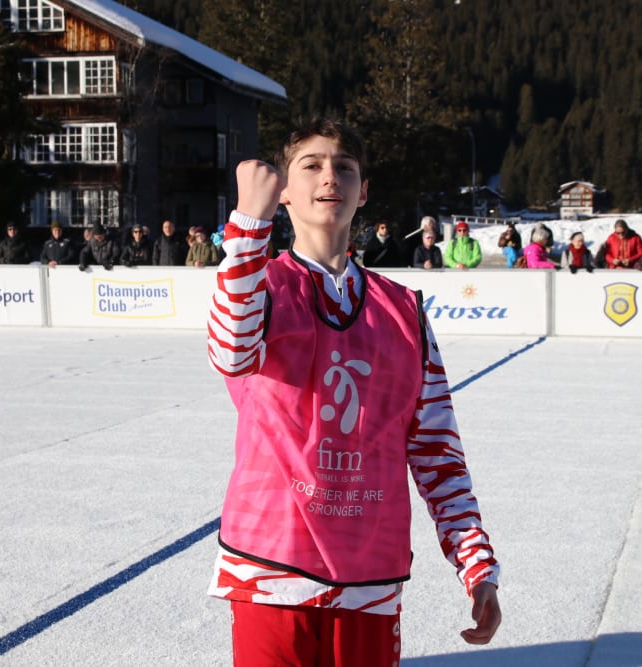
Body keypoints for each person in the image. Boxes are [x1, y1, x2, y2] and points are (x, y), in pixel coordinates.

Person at [206, 117, 500, 666]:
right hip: (271, 568)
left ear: (363, 191)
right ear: (284, 190)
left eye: (344, 167)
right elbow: (230, 350)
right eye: (311, 165)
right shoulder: (260, 286)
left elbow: (436, 451)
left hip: (370, 576)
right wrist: (248, 223)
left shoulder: (404, 311)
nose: (329, 177)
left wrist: (476, 563)